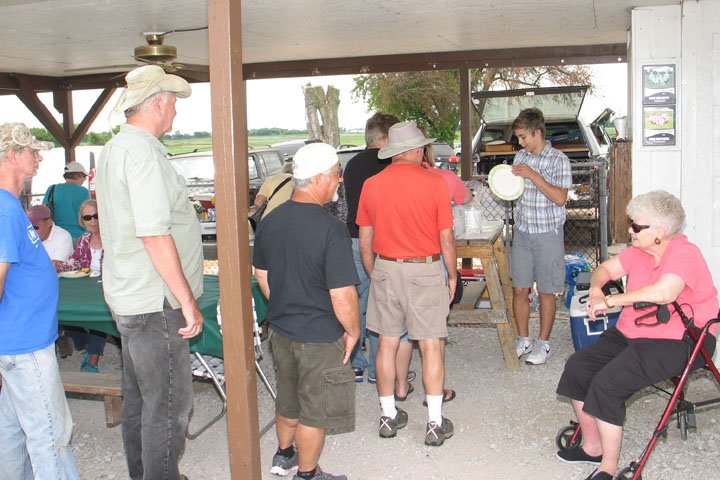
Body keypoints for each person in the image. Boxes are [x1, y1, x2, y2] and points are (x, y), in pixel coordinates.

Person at [556, 190, 718, 480]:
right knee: (577, 367)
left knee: (608, 383)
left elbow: (665, 292)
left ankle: (608, 467)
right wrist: (596, 289)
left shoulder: (685, 254)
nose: (630, 230)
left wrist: (610, 301)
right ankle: (592, 447)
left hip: (682, 340)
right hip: (632, 332)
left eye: (636, 226)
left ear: (659, 232)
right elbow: (605, 269)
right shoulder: (640, 251)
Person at [95, 65, 204, 480]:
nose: (175, 112)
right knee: (169, 406)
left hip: (131, 293)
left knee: (141, 399)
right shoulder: (141, 153)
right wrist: (187, 301)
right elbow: (155, 235)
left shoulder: (115, 147)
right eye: (172, 104)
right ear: (158, 104)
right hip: (156, 299)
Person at [254, 142, 360, 480]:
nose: (339, 181)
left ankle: (284, 454)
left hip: (282, 330)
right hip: (318, 336)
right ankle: (308, 473)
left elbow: (261, 274)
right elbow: (342, 294)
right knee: (315, 411)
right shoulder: (331, 229)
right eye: (336, 174)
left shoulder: (271, 220)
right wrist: (353, 330)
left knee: (288, 400)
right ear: (318, 179)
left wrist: (285, 304)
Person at [357, 121, 457, 446]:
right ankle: (434, 423)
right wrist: (452, 274)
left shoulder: (372, 184)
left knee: (386, 344)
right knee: (430, 346)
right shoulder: (434, 182)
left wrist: (375, 272)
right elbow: (446, 238)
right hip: (425, 269)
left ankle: (388, 415)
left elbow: (365, 240)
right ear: (414, 150)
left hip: (386, 268)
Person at [0, 122, 80, 479]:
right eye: (32, 151)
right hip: (24, 343)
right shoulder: (4, 210)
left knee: (12, 430)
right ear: (12, 155)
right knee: (50, 432)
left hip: (18, 339)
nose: (39, 157)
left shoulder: (10, 206)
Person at [344, 113, 415, 390]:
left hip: (352, 240)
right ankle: (378, 369)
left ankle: (355, 363)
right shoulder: (387, 163)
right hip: (380, 243)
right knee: (382, 308)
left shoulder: (351, 164)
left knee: (357, 304)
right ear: (386, 139)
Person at [510, 107, 572, 365]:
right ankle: (523, 338)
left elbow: (560, 198)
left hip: (548, 233)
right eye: (518, 137)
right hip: (523, 232)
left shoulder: (558, 159)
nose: (520, 142)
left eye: (523, 137)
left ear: (537, 132)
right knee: (519, 288)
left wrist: (533, 175)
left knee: (547, 291)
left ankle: (543, 343)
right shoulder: (519, 157)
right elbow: (513, 191)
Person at [58, 199, 107, 373]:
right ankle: (87, 344)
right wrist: (59, 266)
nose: (93, 220)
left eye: (96, 215)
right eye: (87, 217)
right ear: (82, 221)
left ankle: (93, 358)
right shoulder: (84, 239)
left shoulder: (113, 237)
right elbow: (76, 261)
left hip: (107, 287)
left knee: (98, 316)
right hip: (86, 287)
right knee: (65, 311)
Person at [43, 160, 90, 242]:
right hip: (79, 235)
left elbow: (44, 210)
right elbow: (88, 214)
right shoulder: (84, 191)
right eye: (84, 177)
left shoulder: (52, 189)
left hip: (57, 235)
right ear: (78, 175)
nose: (84, 180)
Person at [27, 204, 73, 268]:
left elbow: (55, 266)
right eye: (28, 227)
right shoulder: (25, 236)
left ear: (49, 222)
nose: (31, 231)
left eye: (35, 227)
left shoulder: (63, 237)